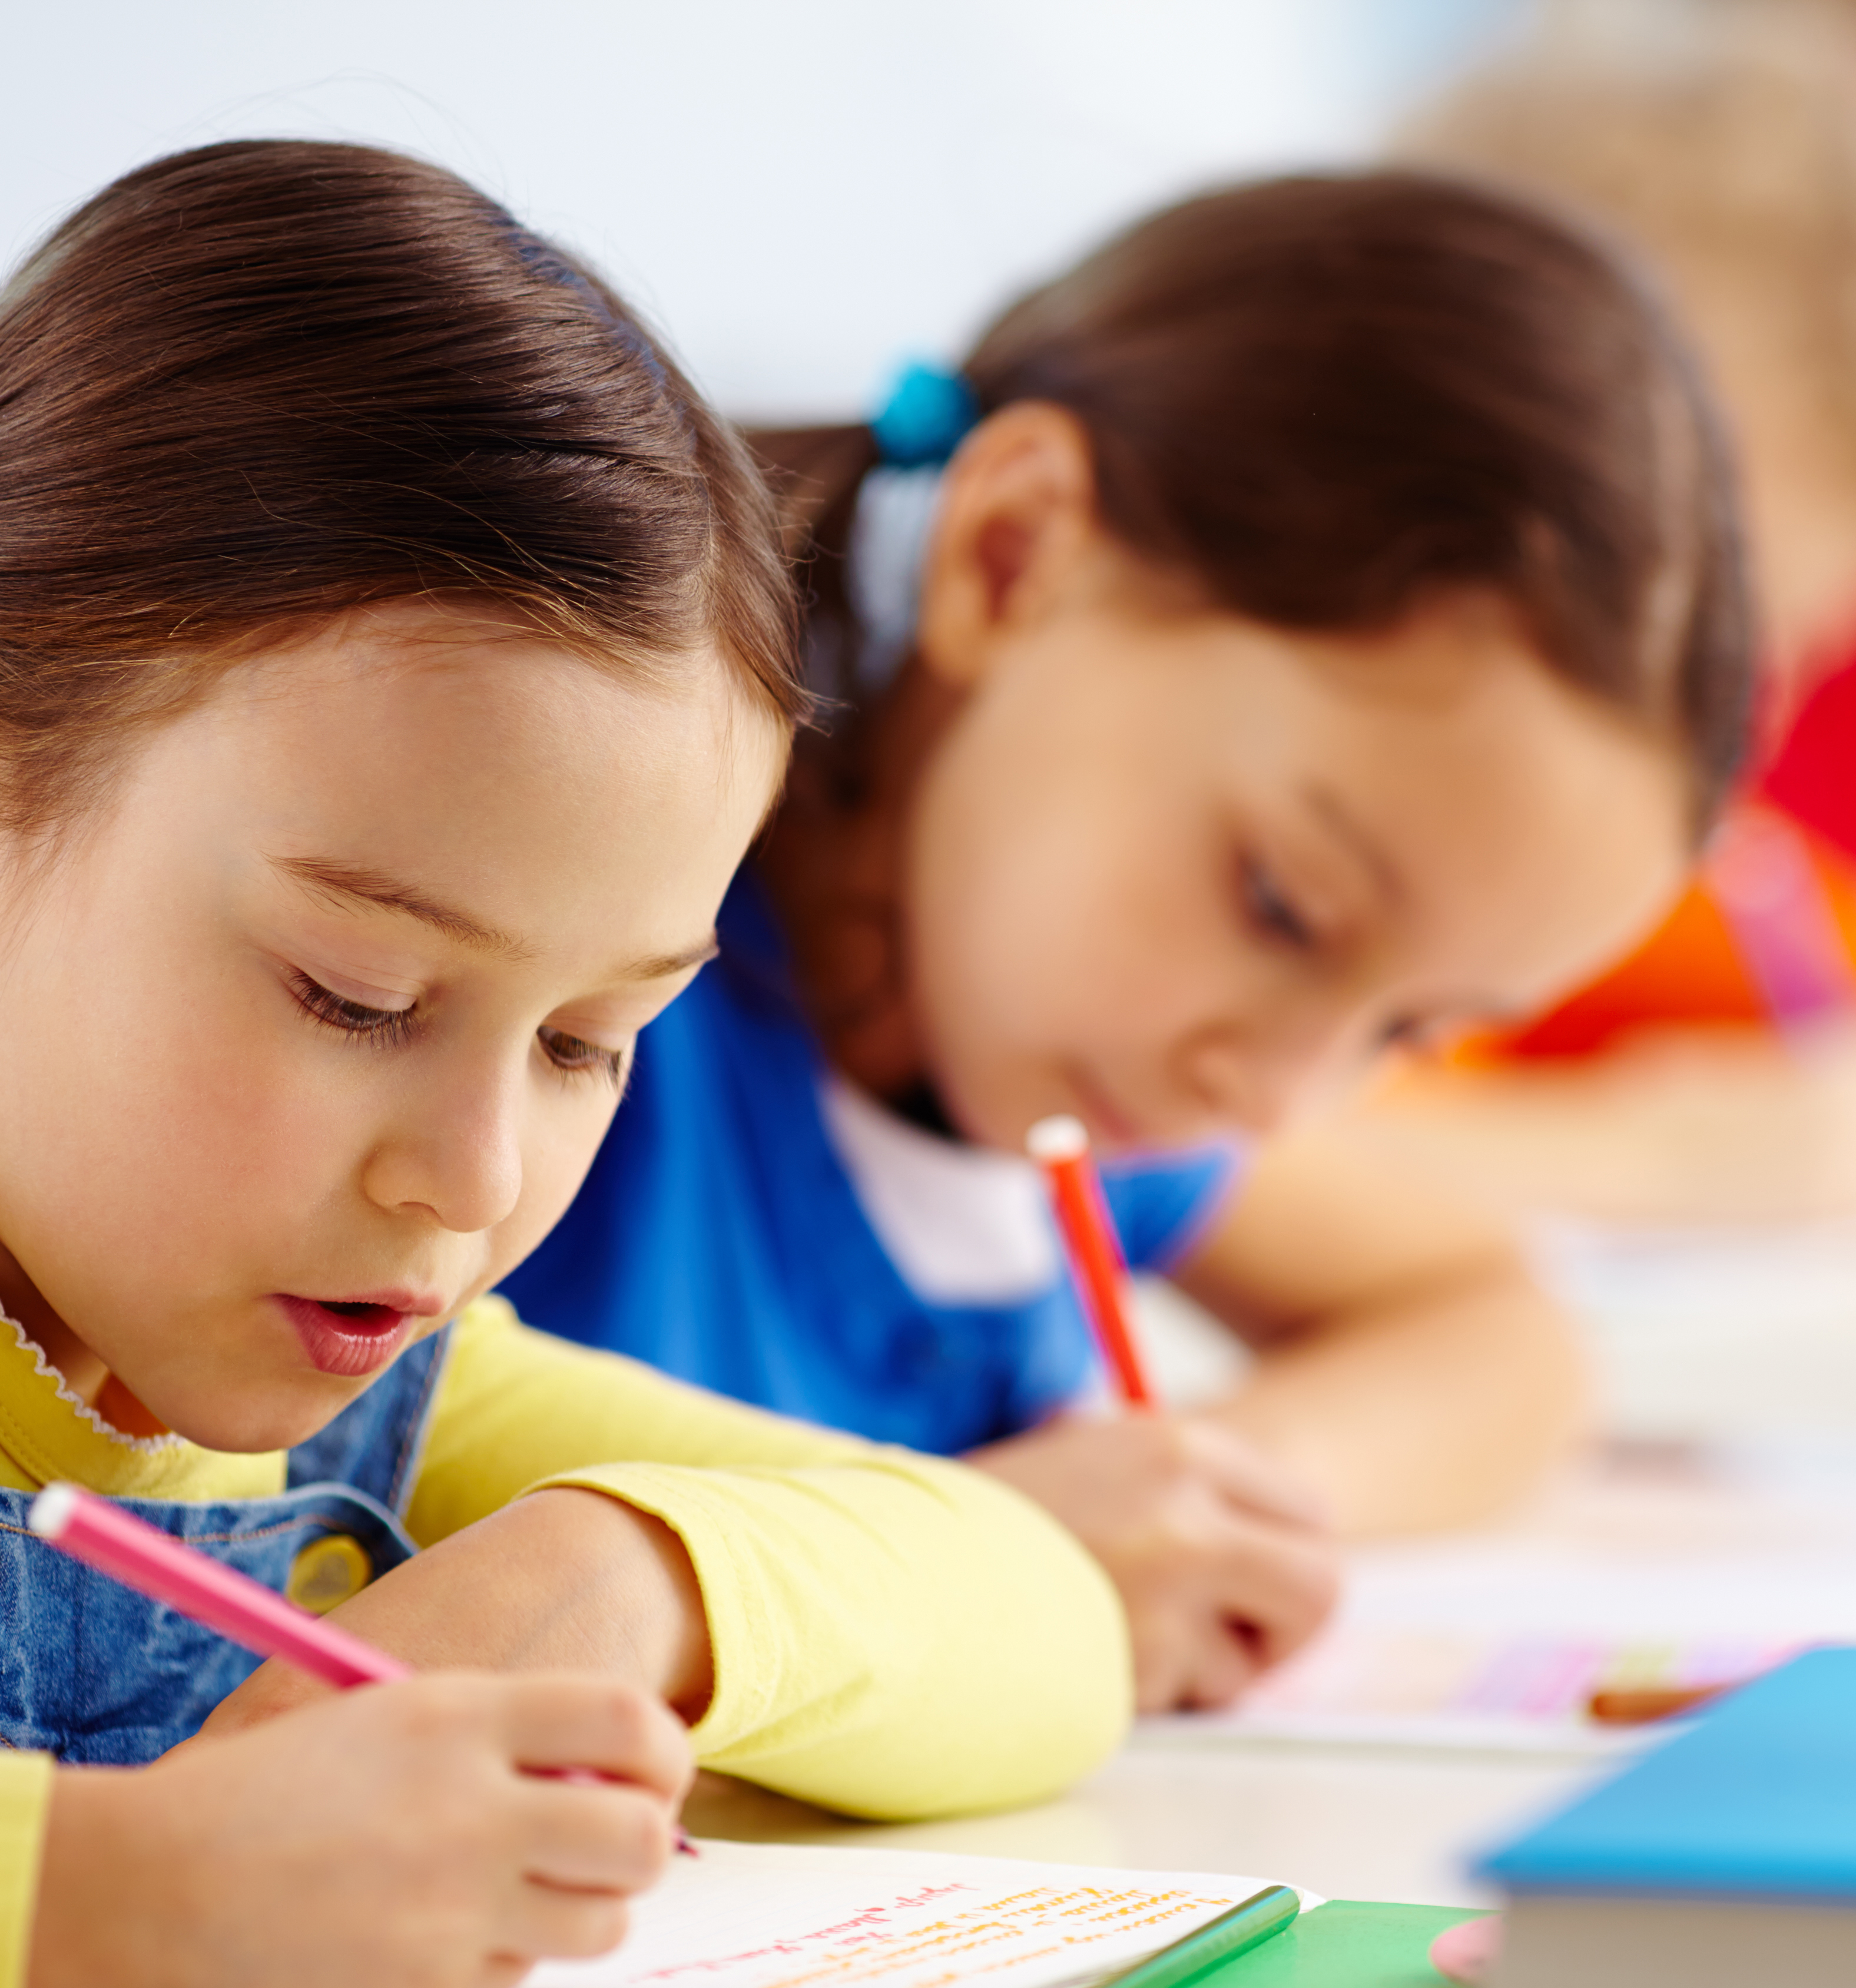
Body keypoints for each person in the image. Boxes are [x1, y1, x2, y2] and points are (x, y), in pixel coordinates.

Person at [0, 141, 1129, 1988]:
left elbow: (1045, 1617)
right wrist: (144, 1895)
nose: (472, 1179)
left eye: (584, 1043)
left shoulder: (367, 1415)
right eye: (351, 993)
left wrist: (624, 1582)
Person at [501, 173, 1754, 1701]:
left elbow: (1497, 1332)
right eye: (1283, 904)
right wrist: (988, 1554)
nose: (1277, 1092)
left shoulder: (1053, 1035)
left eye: (1410, 1028)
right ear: (1014, 557)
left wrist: (1214, 1486)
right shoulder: (547, 980)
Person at [1362, 0, 1856, 1224]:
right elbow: (1217, 1167)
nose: (1739, 738)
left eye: (1775, 663)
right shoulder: (1338, 852)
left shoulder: (1713, 882)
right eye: (1709, 647)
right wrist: (1671, 1159)